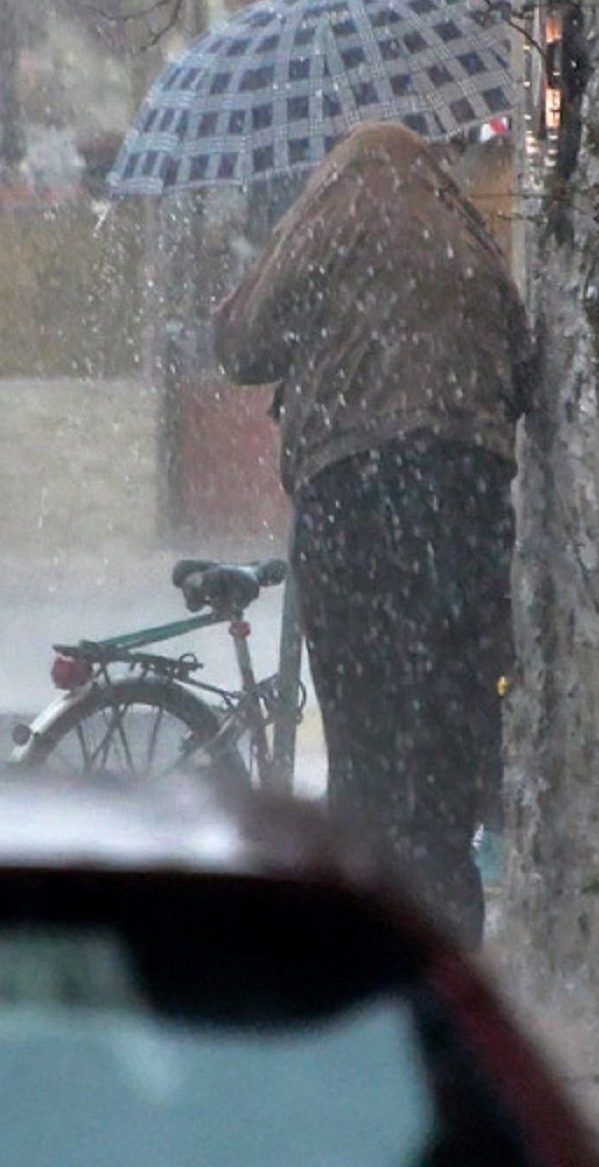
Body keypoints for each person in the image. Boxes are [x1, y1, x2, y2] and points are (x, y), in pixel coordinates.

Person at [211, 121, 534, 947]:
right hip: (468, 496)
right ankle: (447, 929)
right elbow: (523, 364)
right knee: (446, 728)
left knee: (364, 730)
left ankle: (366, 938)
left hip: (355, 498)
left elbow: (241, 346)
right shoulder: (458, 222)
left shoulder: (328, 212)